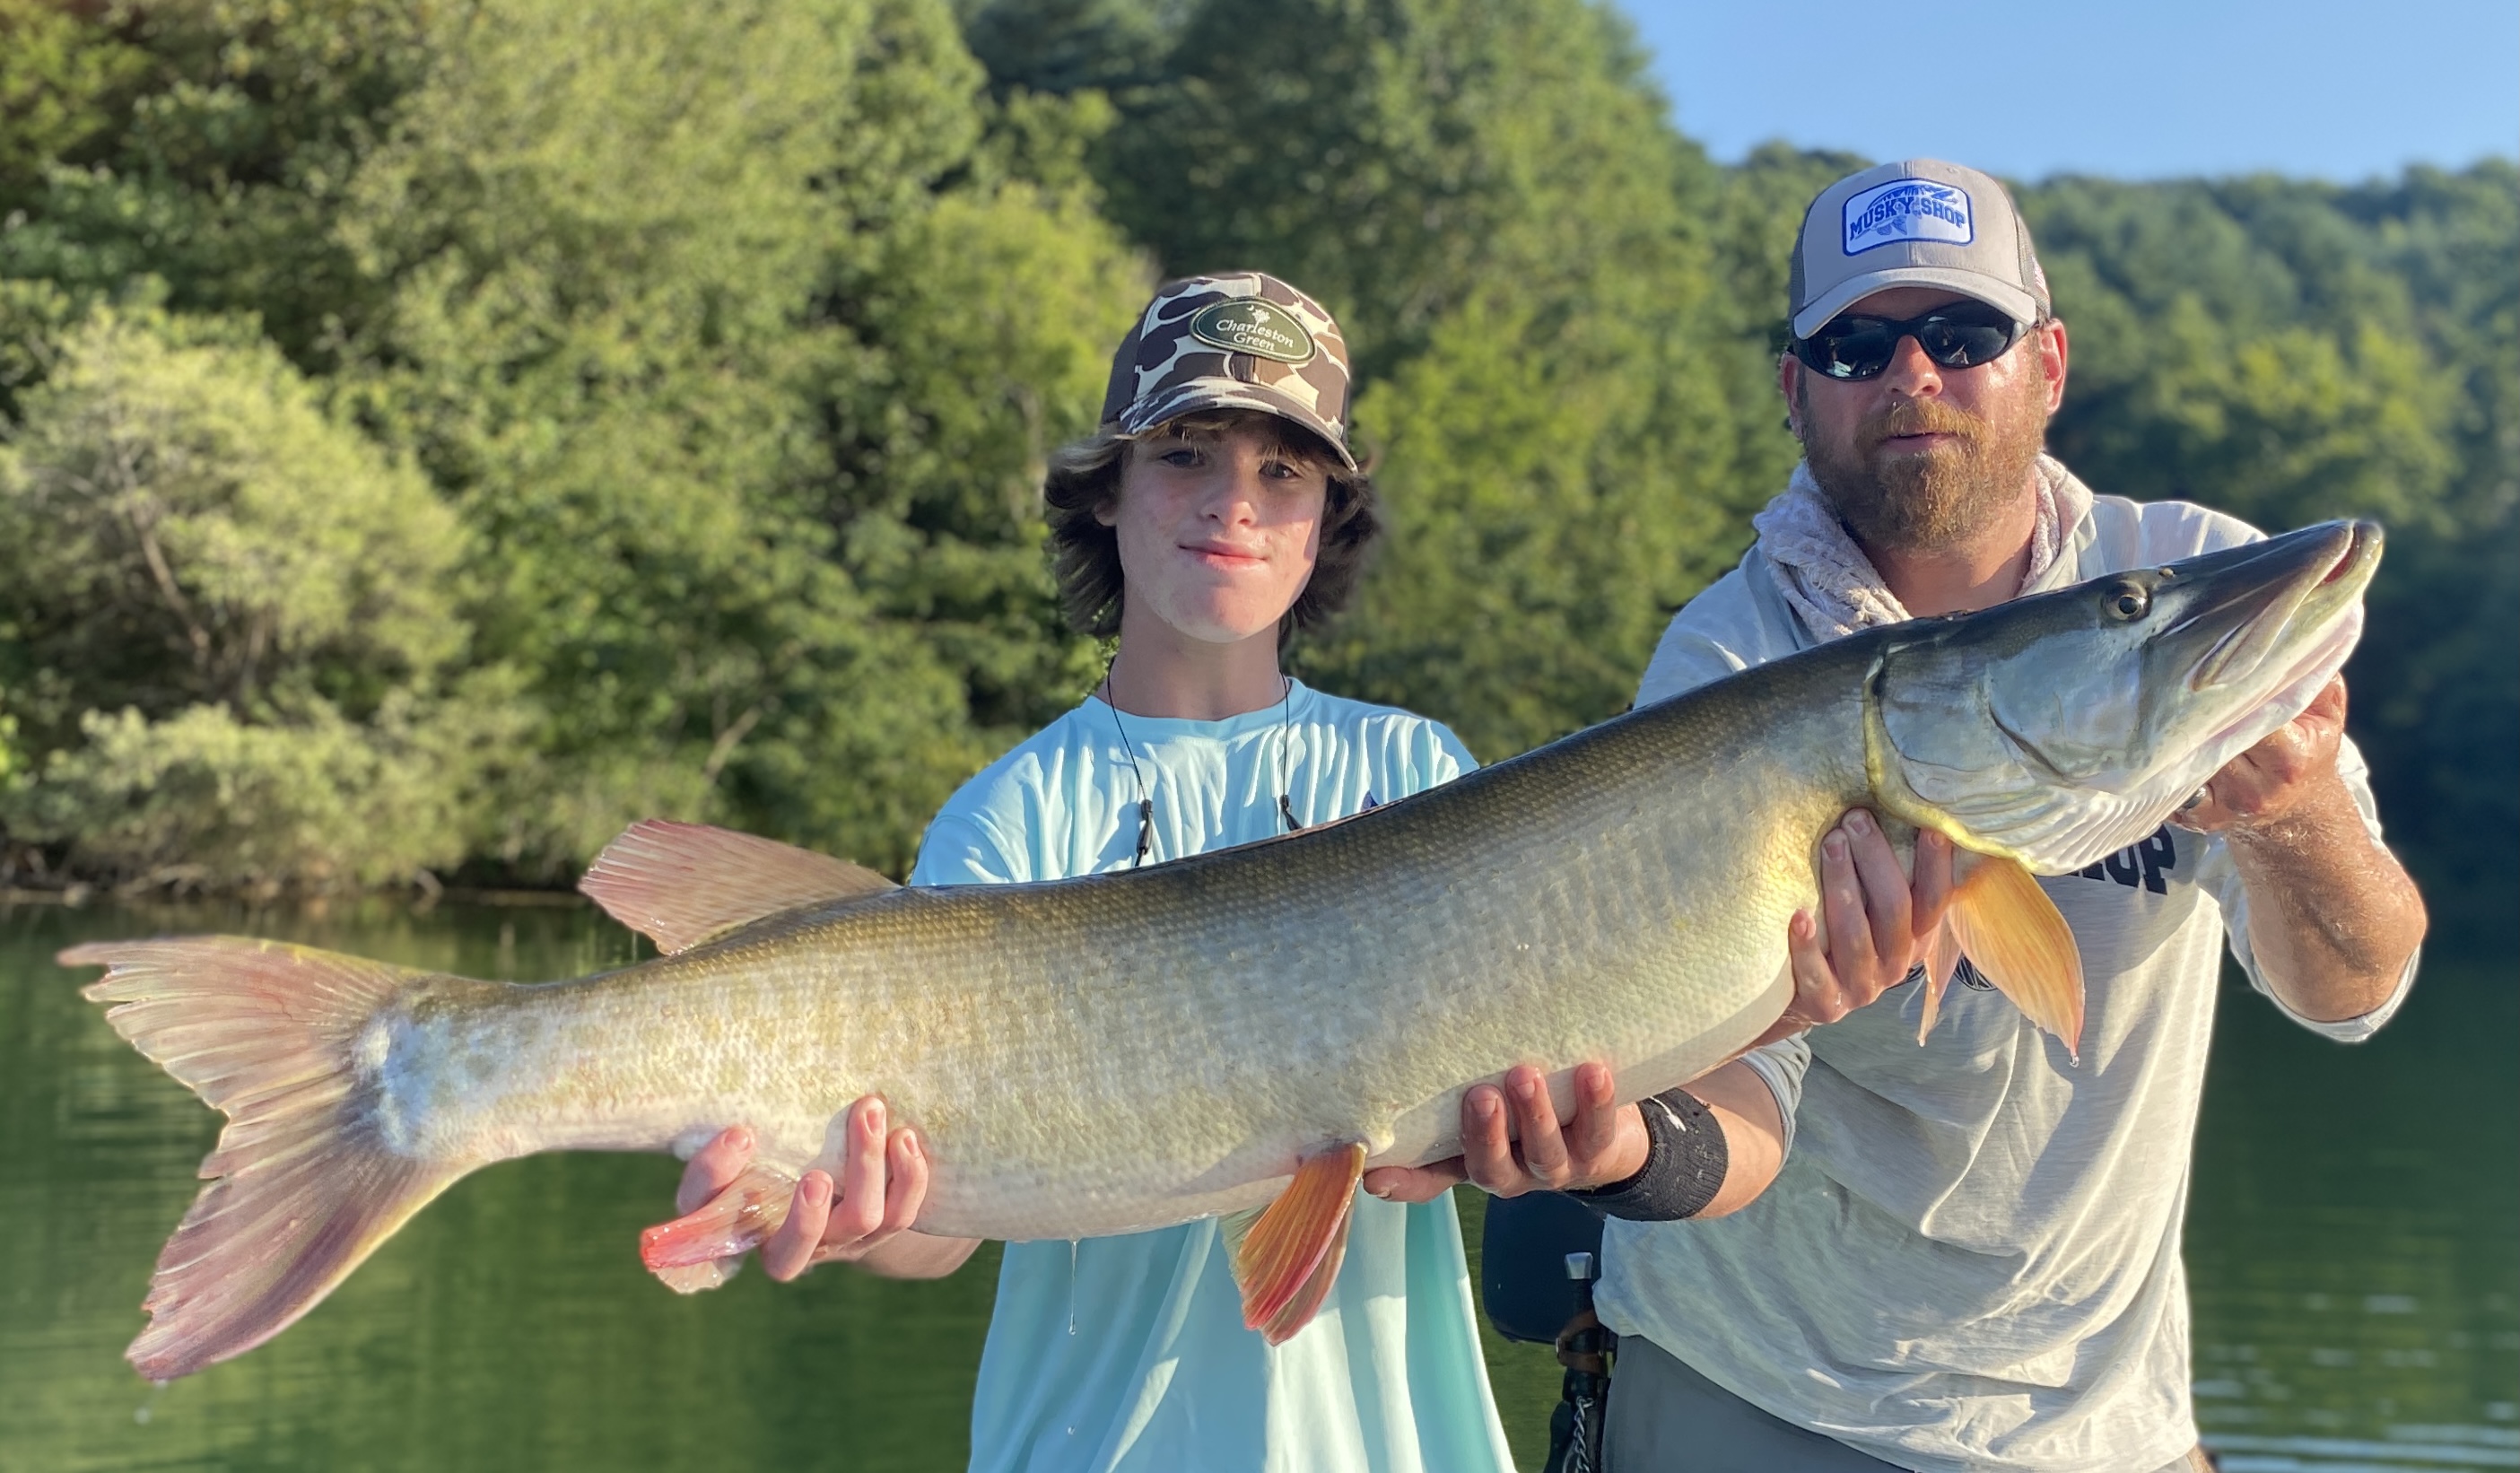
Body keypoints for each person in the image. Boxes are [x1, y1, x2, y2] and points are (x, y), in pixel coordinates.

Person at [1373, 159, 2428, 1470]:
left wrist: (2299, 812)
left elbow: (2356, 988)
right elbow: (1741, 1090)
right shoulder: (1729, 657)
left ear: (2046, 362)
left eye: (1963, 333)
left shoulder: (2183, 568)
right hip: (1755, 1383)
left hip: (2104, 1422)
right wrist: (1621, 1144)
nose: (1911, 374)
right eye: (1856, 343)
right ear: (1795, 389)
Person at [656, 273, 1517, 1473]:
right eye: (1186, 452)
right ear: (1107, 489)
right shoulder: (1007, 813)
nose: (1234, 503)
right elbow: (939, 1227)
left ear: (1328, 516)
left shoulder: (1422, 772)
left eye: (1285, 471)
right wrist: (850, 1216)